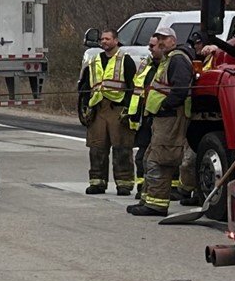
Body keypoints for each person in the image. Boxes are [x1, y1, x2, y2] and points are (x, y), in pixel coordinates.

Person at [128, 26, 195, 216]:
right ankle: (148, 201)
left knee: (160, 160)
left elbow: (180, 89)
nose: (161, 41)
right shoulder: (168, 60)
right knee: (151, 158)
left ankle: (156, 205)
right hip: (161, 118)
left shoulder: (178, 59)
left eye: (165, 38)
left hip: (170, 117)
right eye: (159, 38)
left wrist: (166, 105)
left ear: (174, 40)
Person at [77, 29, 137, 195]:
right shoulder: (94, 61)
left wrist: (129, 109)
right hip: (97, 110)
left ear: (116, 41)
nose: (104, 42)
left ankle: (124, 184)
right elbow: (84, 87)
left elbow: (134, 87)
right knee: (97, 148)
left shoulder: (125, 60)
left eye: (107, 39)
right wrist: (84, 109)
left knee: (122, 148)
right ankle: (97, 183)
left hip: (117, 109)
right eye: (102, 39)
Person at [126, 37, 161, 199]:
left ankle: (167, 189)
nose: (150, 48)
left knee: (159, 157)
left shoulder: (168, 65)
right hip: (144, 117)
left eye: (153, 45)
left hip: (160, 117)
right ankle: (142, 187)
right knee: (141, 157)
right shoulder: (146, 64)